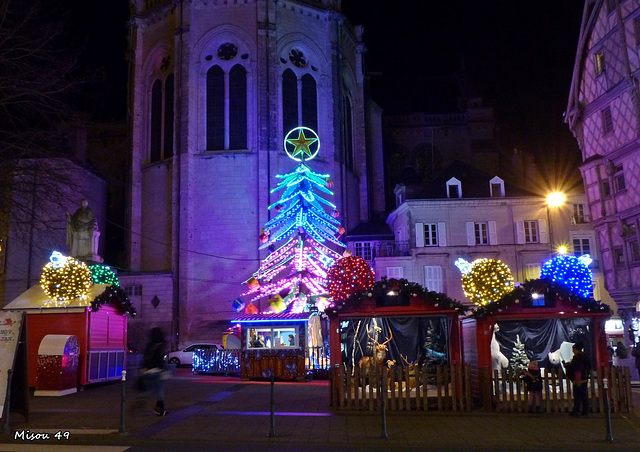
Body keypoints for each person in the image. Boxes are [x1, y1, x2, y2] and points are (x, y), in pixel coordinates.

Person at [142, 327, 168, 416]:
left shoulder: (149, 345)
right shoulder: (160, 345)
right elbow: (160, 359)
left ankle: (141, 402)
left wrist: (144, 368)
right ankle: (160, 408)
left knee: (149, 390)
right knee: (160, 390)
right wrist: (163, 369)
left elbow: (145, 357)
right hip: (157, 370)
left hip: (148, 371)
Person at [565, 342, 591, 416]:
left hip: (578, 378)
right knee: (583, 394)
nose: (573, 351)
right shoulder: (585, 357)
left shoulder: (577, 358)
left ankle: (576, 410)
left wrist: (568, 367)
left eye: (574, 349)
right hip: (584, 377)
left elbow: (575, 368)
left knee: (577, 395)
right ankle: (585, 410)